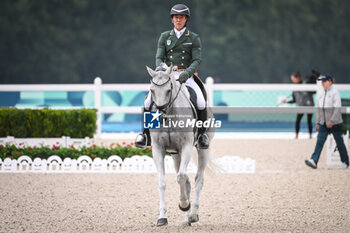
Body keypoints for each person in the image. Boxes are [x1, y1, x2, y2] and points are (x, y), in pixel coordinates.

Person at [135, 4, 209, 149]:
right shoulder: (164, 37)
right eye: (176, 17)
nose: (178, 20)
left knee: (200, 101)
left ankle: (201, 135)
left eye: (181, 17)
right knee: (148, 102)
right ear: (172, 19)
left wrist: (187, 74)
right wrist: (162, 70)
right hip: (167, 75)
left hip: (186, 75)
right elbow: (159, 57)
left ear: (186, 19)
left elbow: (197, 60)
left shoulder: (193, 38)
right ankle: (145, 135)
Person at [305, 75, 349, 169]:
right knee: (319, 141)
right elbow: (319, 109)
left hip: (336, 123)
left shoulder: (335, 93)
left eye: (324, 81)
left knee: (339, 142)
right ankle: (314, 160)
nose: (322, 83)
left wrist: (332, 121)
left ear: (329, 82)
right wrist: (318, 122)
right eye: (322, 81)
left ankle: (345, 161)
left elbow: (337, 109)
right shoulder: (321, 93)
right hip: (323, 123)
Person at [283, 71, 314, 139]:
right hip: (300, 106)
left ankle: (310, 135)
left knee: (309, 121)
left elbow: (313, 91)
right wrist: (287, 102)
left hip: (309, 105)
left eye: (293, 79)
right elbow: (294, 100)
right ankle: (296, 135)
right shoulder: (294, 88)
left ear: (298, 78)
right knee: (297, 121)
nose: (293, 81)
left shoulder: (306, 84)